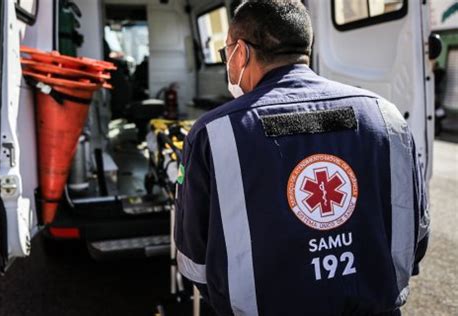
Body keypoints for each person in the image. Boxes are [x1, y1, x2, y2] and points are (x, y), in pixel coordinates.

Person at [175, 1, 429, 315]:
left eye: (226, 52)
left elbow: (195, 262)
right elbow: (415, 234)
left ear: (240, 52)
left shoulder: (213, 133)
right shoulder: (386, 116)